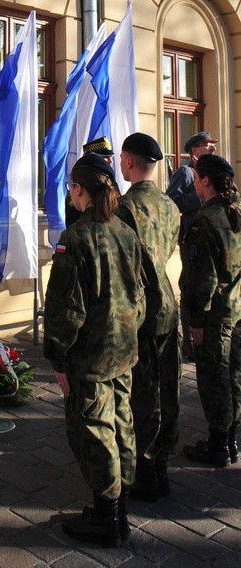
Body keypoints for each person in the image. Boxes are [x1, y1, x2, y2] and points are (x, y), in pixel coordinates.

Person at [43, 153, 145, 547]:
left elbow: (67, 307)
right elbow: (140, 293)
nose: (70, 194)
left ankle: (107, 518)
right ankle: (118, 510)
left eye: (71, 187)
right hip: (123, 350)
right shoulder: (125, 231)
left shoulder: (77, 237)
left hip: (91, 356)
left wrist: (57, 354)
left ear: (81, 189)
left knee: (95, 432)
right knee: (122, 425)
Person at [118, 133, 181, 499]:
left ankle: (146, 469)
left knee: (143, 392)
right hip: (168, 308)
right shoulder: (171, 206)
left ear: (128, 161)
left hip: (140, 311)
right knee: (167, 388)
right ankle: (161, 466)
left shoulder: (125, 208)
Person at [182, 153, 241, 468]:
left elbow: (202, 277)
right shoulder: (235, 211)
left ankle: (219, 445)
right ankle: (231, 441)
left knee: (214, 377)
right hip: (237, 308)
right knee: (235, 375)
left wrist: (196, 321)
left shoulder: (206, 219)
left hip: (216, 314)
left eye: (196, 175)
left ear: (205, 180)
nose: (193, 180)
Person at [166, 131, 217, 360]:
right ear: (195, 151)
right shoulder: (186, 173)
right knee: (189, 287)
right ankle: (187, 341)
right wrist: (200, 196)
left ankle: (205, 336)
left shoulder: (208, 173)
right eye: (207, 145)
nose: (212, 148)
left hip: (206, 240)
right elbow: (171, 201)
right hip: (190, 241)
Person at [65, 136, 116, 227]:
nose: (110, 161)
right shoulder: (76, 185)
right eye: (105, 157)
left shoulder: (111, 182)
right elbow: (71, 222)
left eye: (110, 157)